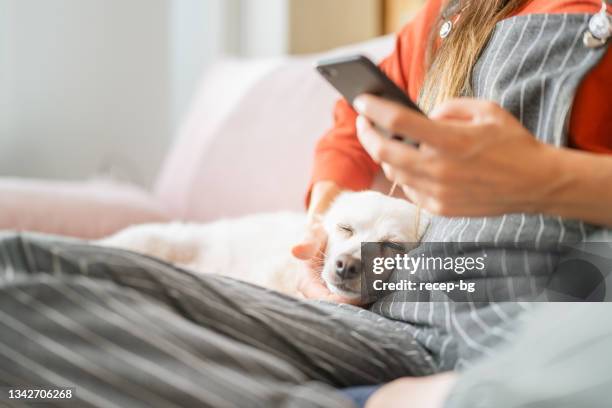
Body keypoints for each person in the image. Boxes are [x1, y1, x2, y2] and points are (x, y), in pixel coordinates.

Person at [1, 1, 610, 407]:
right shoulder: (460, 15)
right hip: (393, 300)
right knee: (17, 278)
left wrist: (547, 178)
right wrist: (324, 226)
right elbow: (353, 117)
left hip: (556, 310)